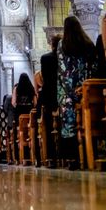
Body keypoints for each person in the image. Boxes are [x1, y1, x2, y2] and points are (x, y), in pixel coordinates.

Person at [57, 16, 96, 169]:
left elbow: (62, 71)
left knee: (69, 124)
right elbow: (93, 67)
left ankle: (73, 159)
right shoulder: (88, 44)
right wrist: (86, 86)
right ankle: (91, 154)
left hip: (68, 93)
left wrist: (66, 93)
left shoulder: (63, 45)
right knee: (87, 121)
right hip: (86, 90)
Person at [38, 34, 61, 164]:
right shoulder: (64, 57)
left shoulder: (45, 58)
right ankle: (63, 155)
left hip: (49, 94)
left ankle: (51, 157)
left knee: (48, 124)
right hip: (62, 93)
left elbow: (44, 78)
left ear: (51, 44)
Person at [12, 73, 36, 162]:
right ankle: (32, 155)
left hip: (20, 113)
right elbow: (35, 102)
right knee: (30, 131)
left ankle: (19, 157)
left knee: (19, 132)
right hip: (29, 112)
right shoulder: (31, 88)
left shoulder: (17, 88)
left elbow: (13, 103)